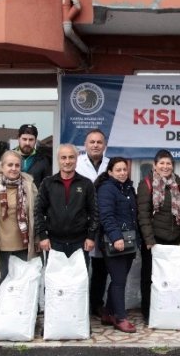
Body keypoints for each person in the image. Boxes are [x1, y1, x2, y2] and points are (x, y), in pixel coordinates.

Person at [137, 149, 180, 323]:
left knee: (171, 280)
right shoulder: (146, 184)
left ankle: (168, 310)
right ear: (155, 165)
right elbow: (143, 215)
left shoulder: (179, 183)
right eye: (162, 163)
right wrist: (149, 240)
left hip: (174, 241)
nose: (165, 167)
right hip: (154, 242)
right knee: (149, 278)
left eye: (168, 163)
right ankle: (148, 312)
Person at [0, 150, 38, 290]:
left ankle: (22, 311)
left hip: (24, 245)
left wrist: (37, 239)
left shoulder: (29, 185)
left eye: (17, 165)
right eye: (9, 165)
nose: (13, 168)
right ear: (1, 167)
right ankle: (3, 311)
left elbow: (36, 214)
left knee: (23, 283)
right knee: (3, 284)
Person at [96, 157, 140, 333]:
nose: (122, 173)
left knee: (118, 279)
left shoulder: (128, 188)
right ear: (110, 172)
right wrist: (116, 237)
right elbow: (106, 216)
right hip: (115, 243)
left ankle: (108, 313)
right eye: (118, 170)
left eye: (124, 169)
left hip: (129, 242)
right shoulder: (107, 189)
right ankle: (120, 318)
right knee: (119, 281)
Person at [35, 144, 98, 265]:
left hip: (81, 243)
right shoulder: (48, 183)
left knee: (79, 282)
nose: (67, 161)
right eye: (63, 157)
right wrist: (43, 236)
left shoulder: (86, 184)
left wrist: (91, 236)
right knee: (54, 282)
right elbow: (38, 211)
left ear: (77, 159)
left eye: (71, 157)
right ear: (58, 159)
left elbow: (94, 212)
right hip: (54, 243)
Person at [75, 129, 111, 318]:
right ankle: (79, 305)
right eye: (92, 142)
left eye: (99, 142)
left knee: (101, 267)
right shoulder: (77, 164)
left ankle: (97, 304)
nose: (96, 145)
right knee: (81, 265)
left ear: (104, 145)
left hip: (104, 221)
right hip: (83, 222)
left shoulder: (110, 164)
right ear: (85, 145)